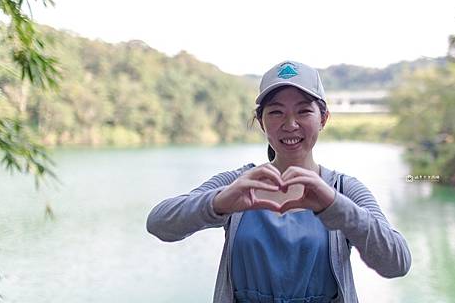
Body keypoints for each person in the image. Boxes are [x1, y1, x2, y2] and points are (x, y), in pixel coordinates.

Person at [146, 60, 411, 303]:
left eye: (304, 111)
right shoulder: (239, 183)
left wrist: (334, 206)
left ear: (323, 119)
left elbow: (397, 263)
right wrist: (218, 203)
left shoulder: (344, 190)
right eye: (276, 113)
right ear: (261, 121)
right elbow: (158, 224)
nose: (291, 124)